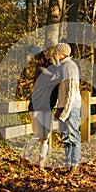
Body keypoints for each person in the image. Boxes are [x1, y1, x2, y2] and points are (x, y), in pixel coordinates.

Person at [22, 49, 62, 169]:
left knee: (46, 137)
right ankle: (25, 157)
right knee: (39, 135)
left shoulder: (50, 70)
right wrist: (58, 62)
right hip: (37, 107)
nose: (49, 58)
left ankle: (41, 162)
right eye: (47, 56)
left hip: (47, 108)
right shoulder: (40, 71)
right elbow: (59, 76)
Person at [53, 43, 81, 174]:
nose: (53, 54)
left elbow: (72, 92)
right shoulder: (62, 67)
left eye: (55, 52)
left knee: (73, 135)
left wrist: (65, 112)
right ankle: (68, 163)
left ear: (62, 53)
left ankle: (75, 164)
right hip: (62, 106)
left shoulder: (70, 67)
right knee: (65, 137)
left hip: (71, 107)